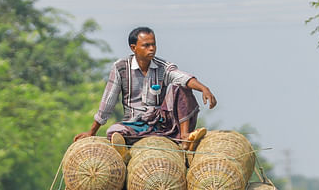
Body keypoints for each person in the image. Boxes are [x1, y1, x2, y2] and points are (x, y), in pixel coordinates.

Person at [74, 26, 217, 155]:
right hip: (135, 124)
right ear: (133, 47)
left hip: (162, 123)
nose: (152, 49)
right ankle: (124, 154)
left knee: (179, 86)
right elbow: (108, 102)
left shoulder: (163, 67)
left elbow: (182, 77)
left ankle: (185, 138)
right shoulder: (121, 68)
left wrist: (204, 88)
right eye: (146, 45)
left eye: (153, 44)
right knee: (113, 131)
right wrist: (92, 132)